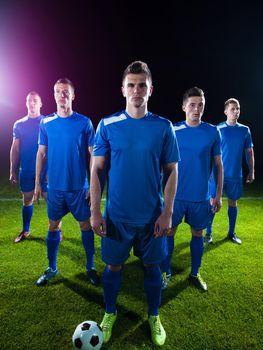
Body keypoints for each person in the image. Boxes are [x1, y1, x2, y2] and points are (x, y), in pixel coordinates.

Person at [90, 61, 179, 346]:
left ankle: (154, 316)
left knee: (153, 268)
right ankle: (110, 313)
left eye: (142, 85)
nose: (136, 90)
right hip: (116, 216)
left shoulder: (164, 127)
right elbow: (97, 171)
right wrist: (94, 211)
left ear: (150, 89)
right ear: (123, 90)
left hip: (151, 216)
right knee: (112, 268)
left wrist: (167, 212)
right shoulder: (107, 124)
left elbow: (172, 170)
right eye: (131, 85)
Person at [34, 78, 99, 287]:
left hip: (79, 188)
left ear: (73, 95)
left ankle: (90, 268)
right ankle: (52, 268)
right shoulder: (46, 123)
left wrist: (93, 185)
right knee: (53, 226)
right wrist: (37, 183)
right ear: (53, 95)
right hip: (55, 188)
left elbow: (93, 156)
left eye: (66, 92)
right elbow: (41, 153)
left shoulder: (84, 122)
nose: (62, 95)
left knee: (85, 225)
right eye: (58, 91)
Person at [161, 87, 223, 292]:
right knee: (169, 233)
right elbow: (163, 163)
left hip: (200, 197)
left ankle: (195, 273)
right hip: (175, 196)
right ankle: (165, 272)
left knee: (198, 234)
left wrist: (218, 195)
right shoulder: (173, 130)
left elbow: (218, 165)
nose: (197, 109)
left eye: (201, 105)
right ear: (184, 106)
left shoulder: (213, 132)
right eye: (193, 105)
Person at [206, 98, 255, 245]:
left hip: (235, 175)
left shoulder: (244, 130)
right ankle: (208, 234)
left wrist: (252, 170)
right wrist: (208, 173)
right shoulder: (218, 129)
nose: (236, 111)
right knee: (213, 204)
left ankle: (231, 233)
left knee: (233, 203)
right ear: (225, 111)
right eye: (233, 109)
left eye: (238, 108)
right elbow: (209, 153)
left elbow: (249, 152)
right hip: (217, 175)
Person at [9, 91, 48, 243]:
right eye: (29, 100)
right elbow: (15, 148)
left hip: (45, 170)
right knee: (27, 199)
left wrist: (52, 169)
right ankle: (26, 230)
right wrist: (12, 169)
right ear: (26, 103)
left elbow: (53, 147)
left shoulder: (47, 122)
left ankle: (56, 229)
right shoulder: (19, 124)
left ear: (40, 103)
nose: (32, 103)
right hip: (26, 169)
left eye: (35, 100)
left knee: (50, 200)